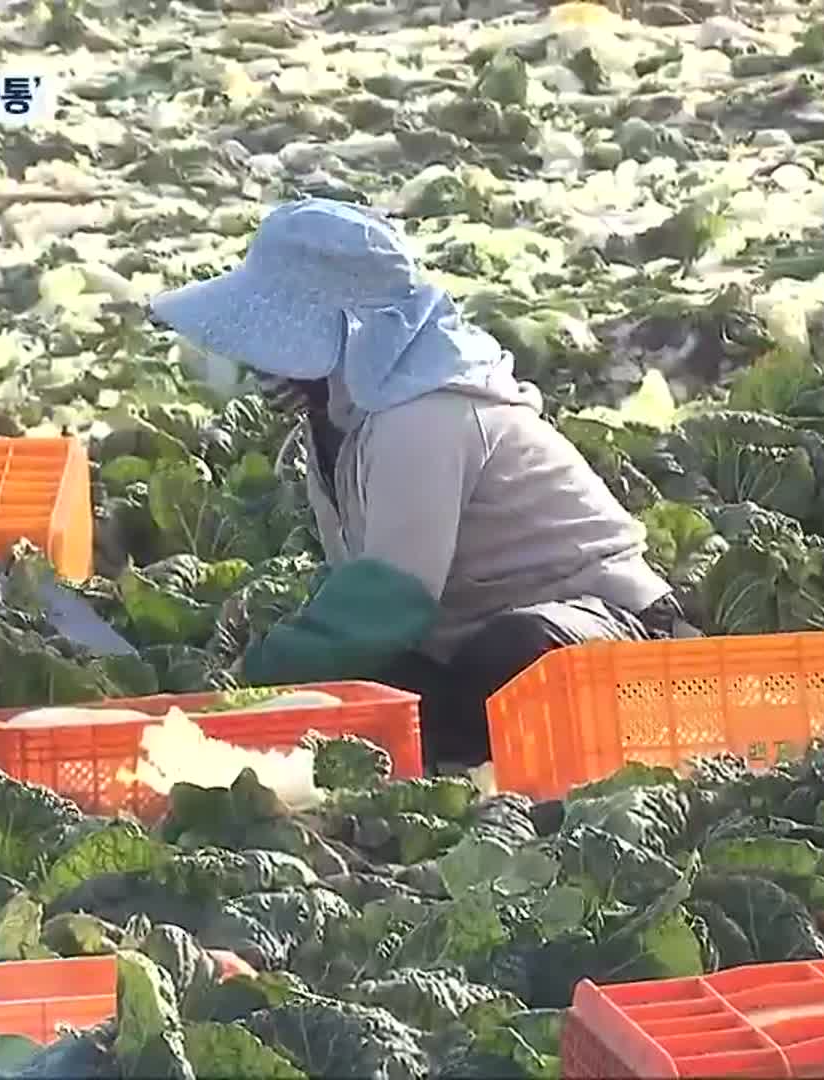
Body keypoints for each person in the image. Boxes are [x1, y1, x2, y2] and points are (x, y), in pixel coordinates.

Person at [149, 198, 692, 768]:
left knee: (512, 656)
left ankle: (464, 764)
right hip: (466, 647)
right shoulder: (338, 425)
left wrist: (251, 685)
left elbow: (390, 600)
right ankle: (455, 762)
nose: (262, 370)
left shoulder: (424, 413)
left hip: (613, 633)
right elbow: (362, 599)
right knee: (377, 682)